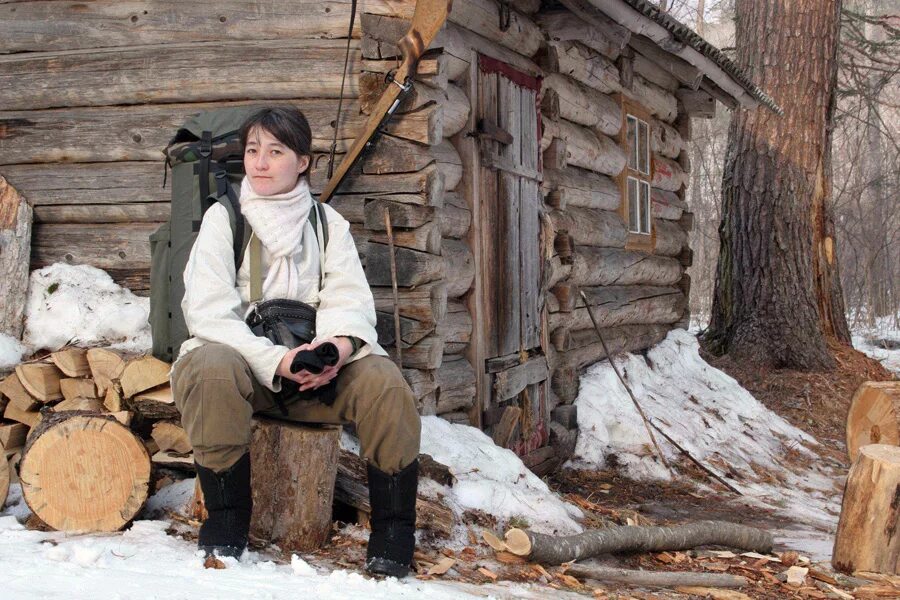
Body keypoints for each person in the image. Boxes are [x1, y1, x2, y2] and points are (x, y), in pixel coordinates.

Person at [171, 106, 421, 578]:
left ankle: (393, 532)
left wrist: (337, 350)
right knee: (211, 364)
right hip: (244, 375)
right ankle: (226, 523)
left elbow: (348, 299)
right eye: (252, 151)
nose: (260, 163)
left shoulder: (328, 225)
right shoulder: (224, 220)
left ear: (303, 161)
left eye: (275, 151)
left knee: (384, 382)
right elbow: (208, 312)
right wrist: (277, 360)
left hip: (313, 378)